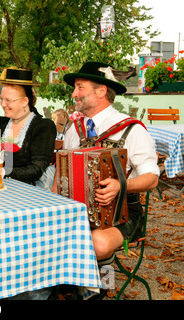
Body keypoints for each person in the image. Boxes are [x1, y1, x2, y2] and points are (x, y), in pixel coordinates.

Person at [53, 61, 159, 265]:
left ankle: (101, 280)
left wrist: (121, 186)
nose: (74, 94)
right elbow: (61, 174)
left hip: (123, 213)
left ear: (101, 91)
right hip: (77, 211)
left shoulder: (131, 129)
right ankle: (63, 282)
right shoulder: (74, 129)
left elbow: (152, 179)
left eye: (79, 87)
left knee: (97, 243)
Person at [0, 67, 56, 187]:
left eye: (8, 100)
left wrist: (1, 171)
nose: (3, 104)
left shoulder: (43, 126)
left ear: (24, 101)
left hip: (28, 190)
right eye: (1, 99)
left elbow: (36, 169)